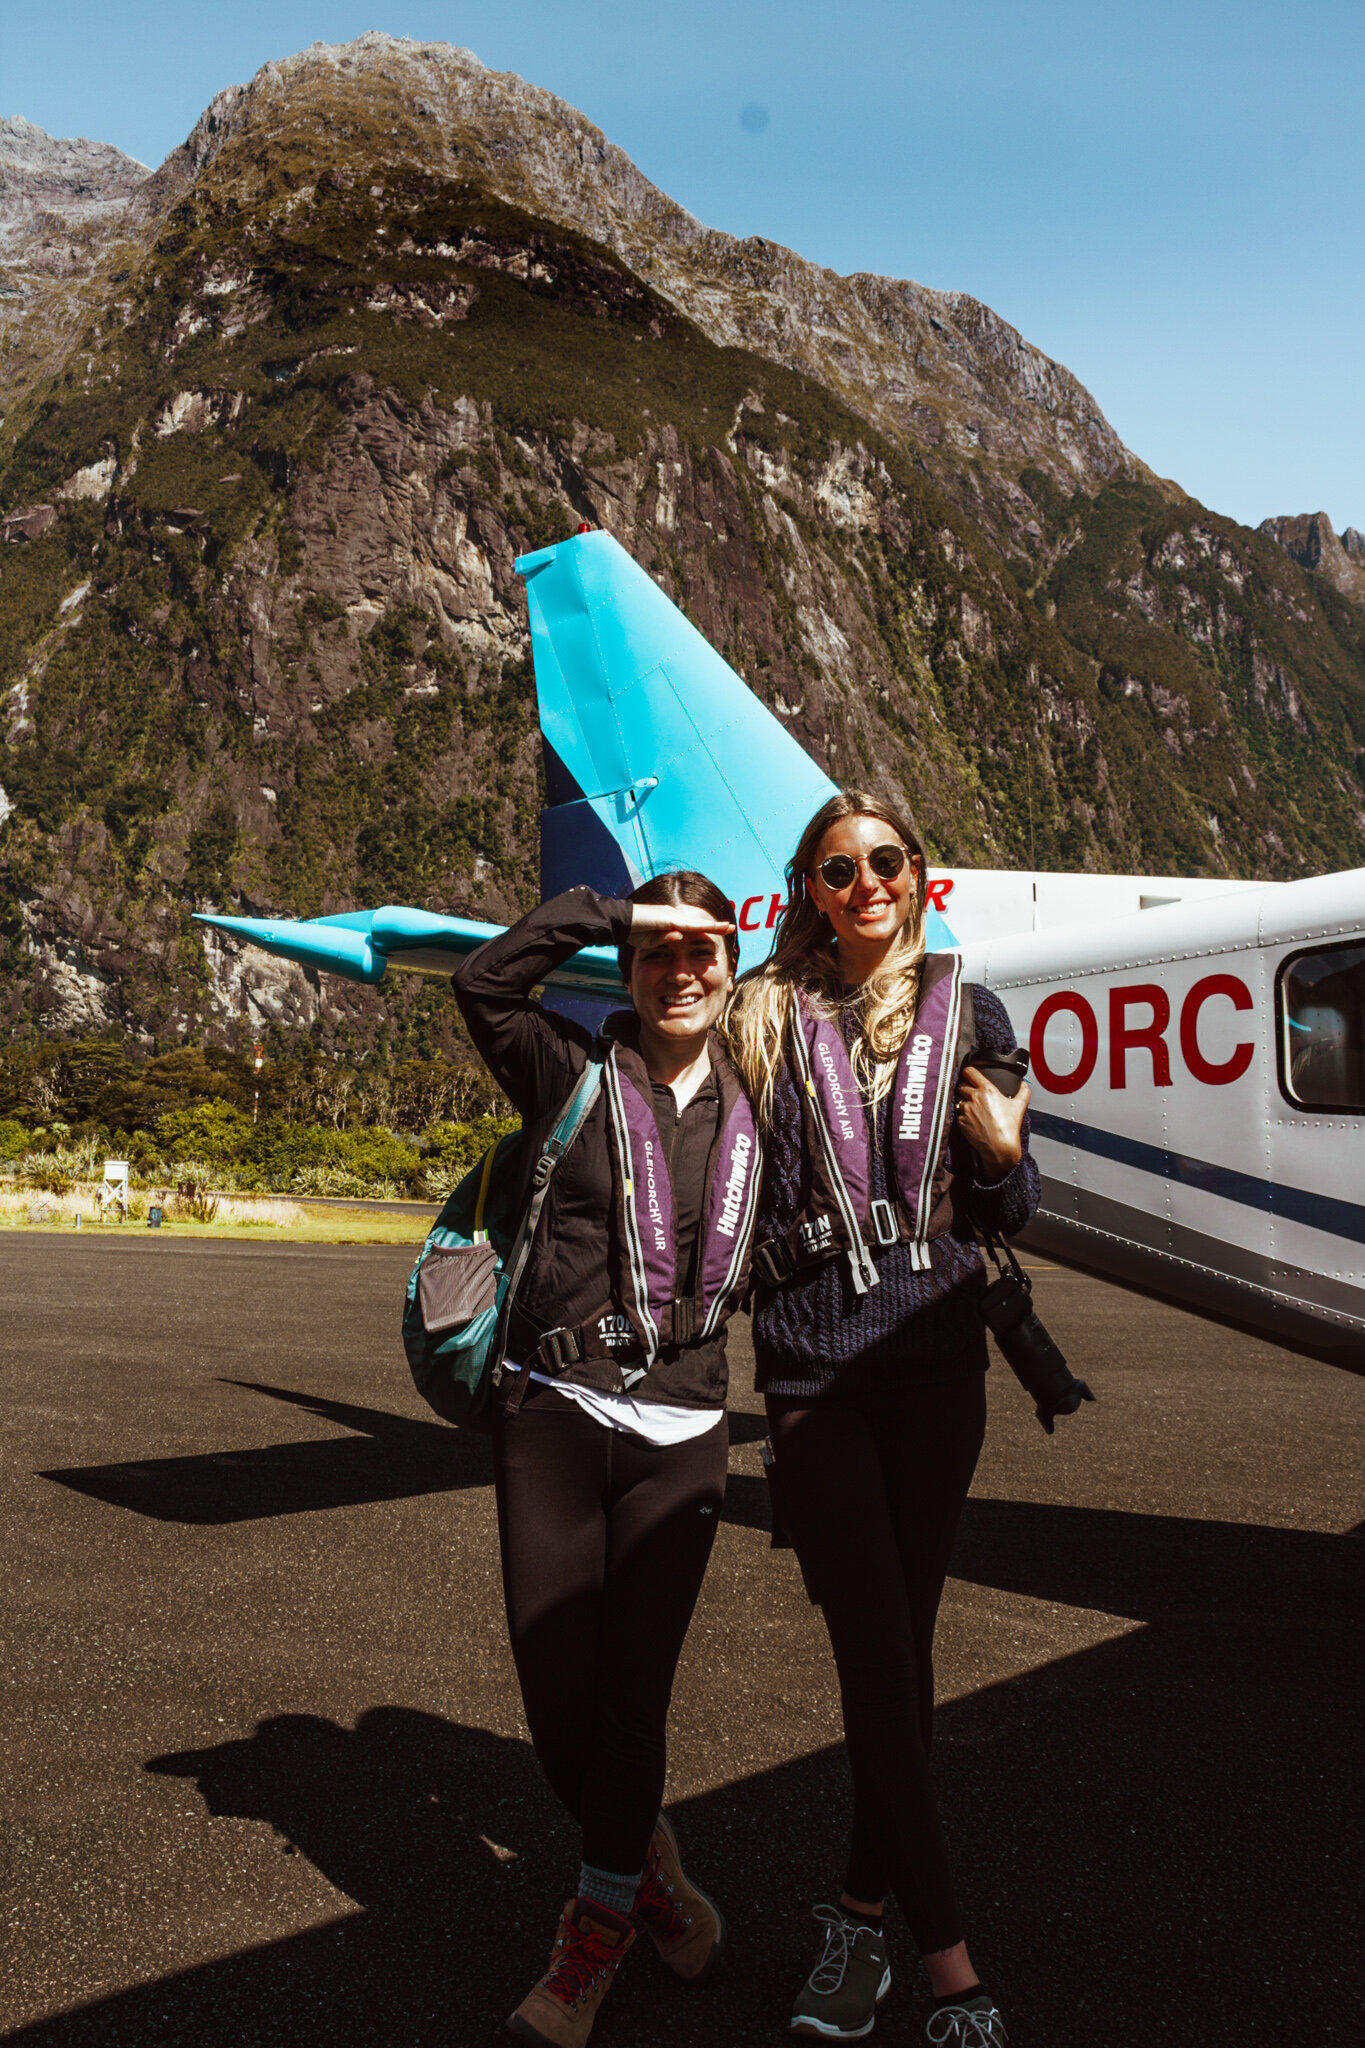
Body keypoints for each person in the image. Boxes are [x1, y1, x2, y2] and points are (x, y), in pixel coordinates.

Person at [727, 791, 1039, 2048]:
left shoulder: (975, 1012)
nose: (863, 882)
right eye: (836, 865)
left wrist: (1009, 1159)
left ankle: (855, 1913)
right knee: (875, 1659)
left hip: (937, 1374)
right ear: (809, 886)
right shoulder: (761, 1017)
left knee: (901, 1664)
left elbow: (1009, 1215)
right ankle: (951, 1965)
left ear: (919, 877)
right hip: (814, 1380)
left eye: (884, 861)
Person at [450, 874, 758, 2048]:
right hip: (556, 1409)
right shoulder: (569, 1070)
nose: (682, 972)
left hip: (684, 1431)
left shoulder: (763, 1101)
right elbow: (486, 983)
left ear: (731, 964)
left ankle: (598, 1928)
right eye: (660, 951)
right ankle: (645, 1863)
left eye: (703, 950)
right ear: (632, 965)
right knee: (552, 1689)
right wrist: (595, 909)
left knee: (634, 1697)